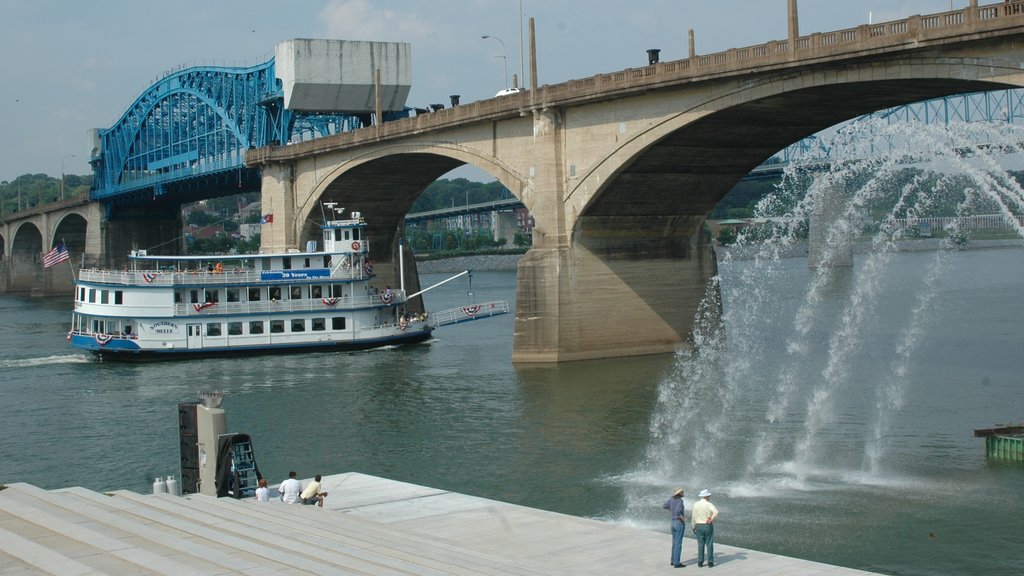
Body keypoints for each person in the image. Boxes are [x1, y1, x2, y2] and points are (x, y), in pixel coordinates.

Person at [692, 489, 719, 567]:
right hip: (707, 525)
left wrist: (693, 526)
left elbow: (693, 517)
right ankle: (710, 562)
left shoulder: (695, 504)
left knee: (700, 544)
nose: (709, 497)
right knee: (709, 543)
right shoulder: (709, 504)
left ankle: (700, 562)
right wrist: (711, 518)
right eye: (709, 496)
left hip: (698, 525)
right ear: (706, 496)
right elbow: (716, 512)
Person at [662, 487, 687, 568]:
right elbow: (677, 512)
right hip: (679, 522)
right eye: (682, 492)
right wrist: (684, 518)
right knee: (678, 543)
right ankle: (677, 563)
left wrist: (671, 510)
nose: (683, 493)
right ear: (679, 494)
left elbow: (664, 506)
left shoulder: (671, 499)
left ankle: (673, 560)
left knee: (674, 542)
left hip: (672, 522)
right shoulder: (680, 501)